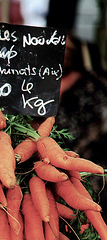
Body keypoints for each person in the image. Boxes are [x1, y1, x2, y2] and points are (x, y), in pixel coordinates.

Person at [53, 32, 107, 209]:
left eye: (68, 48)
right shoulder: (42, 85)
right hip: (53, 170)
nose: (62, 52)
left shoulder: (93, 88)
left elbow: (82, 136)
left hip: (86, 172)